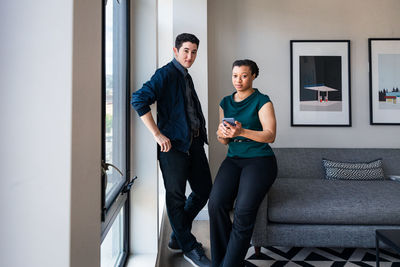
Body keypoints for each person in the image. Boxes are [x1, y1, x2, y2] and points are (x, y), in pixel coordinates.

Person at [131, 33, 212, 267]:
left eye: (194, 52)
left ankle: (179, 235)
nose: (190, 56)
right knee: (176, 197)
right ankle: (188, 247)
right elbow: (139, 99)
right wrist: (157, 134)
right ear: (175, 51)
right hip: (173, 147)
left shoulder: (186, 76)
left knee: (204, 189)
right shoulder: (165, 74)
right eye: (186, 51)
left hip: (194, 144)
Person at [208, 59, 278, 267]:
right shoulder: (225, 103)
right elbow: (224, 141)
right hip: (234, 159)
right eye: (235, 75)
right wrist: (222, 134)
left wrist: (242, 131)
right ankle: (221, 262)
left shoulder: (262, 101)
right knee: (215, 204)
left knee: (243, 211)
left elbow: (270, 135)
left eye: (244, 75)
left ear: (253, 76)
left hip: (260, 161)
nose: (238, 80)